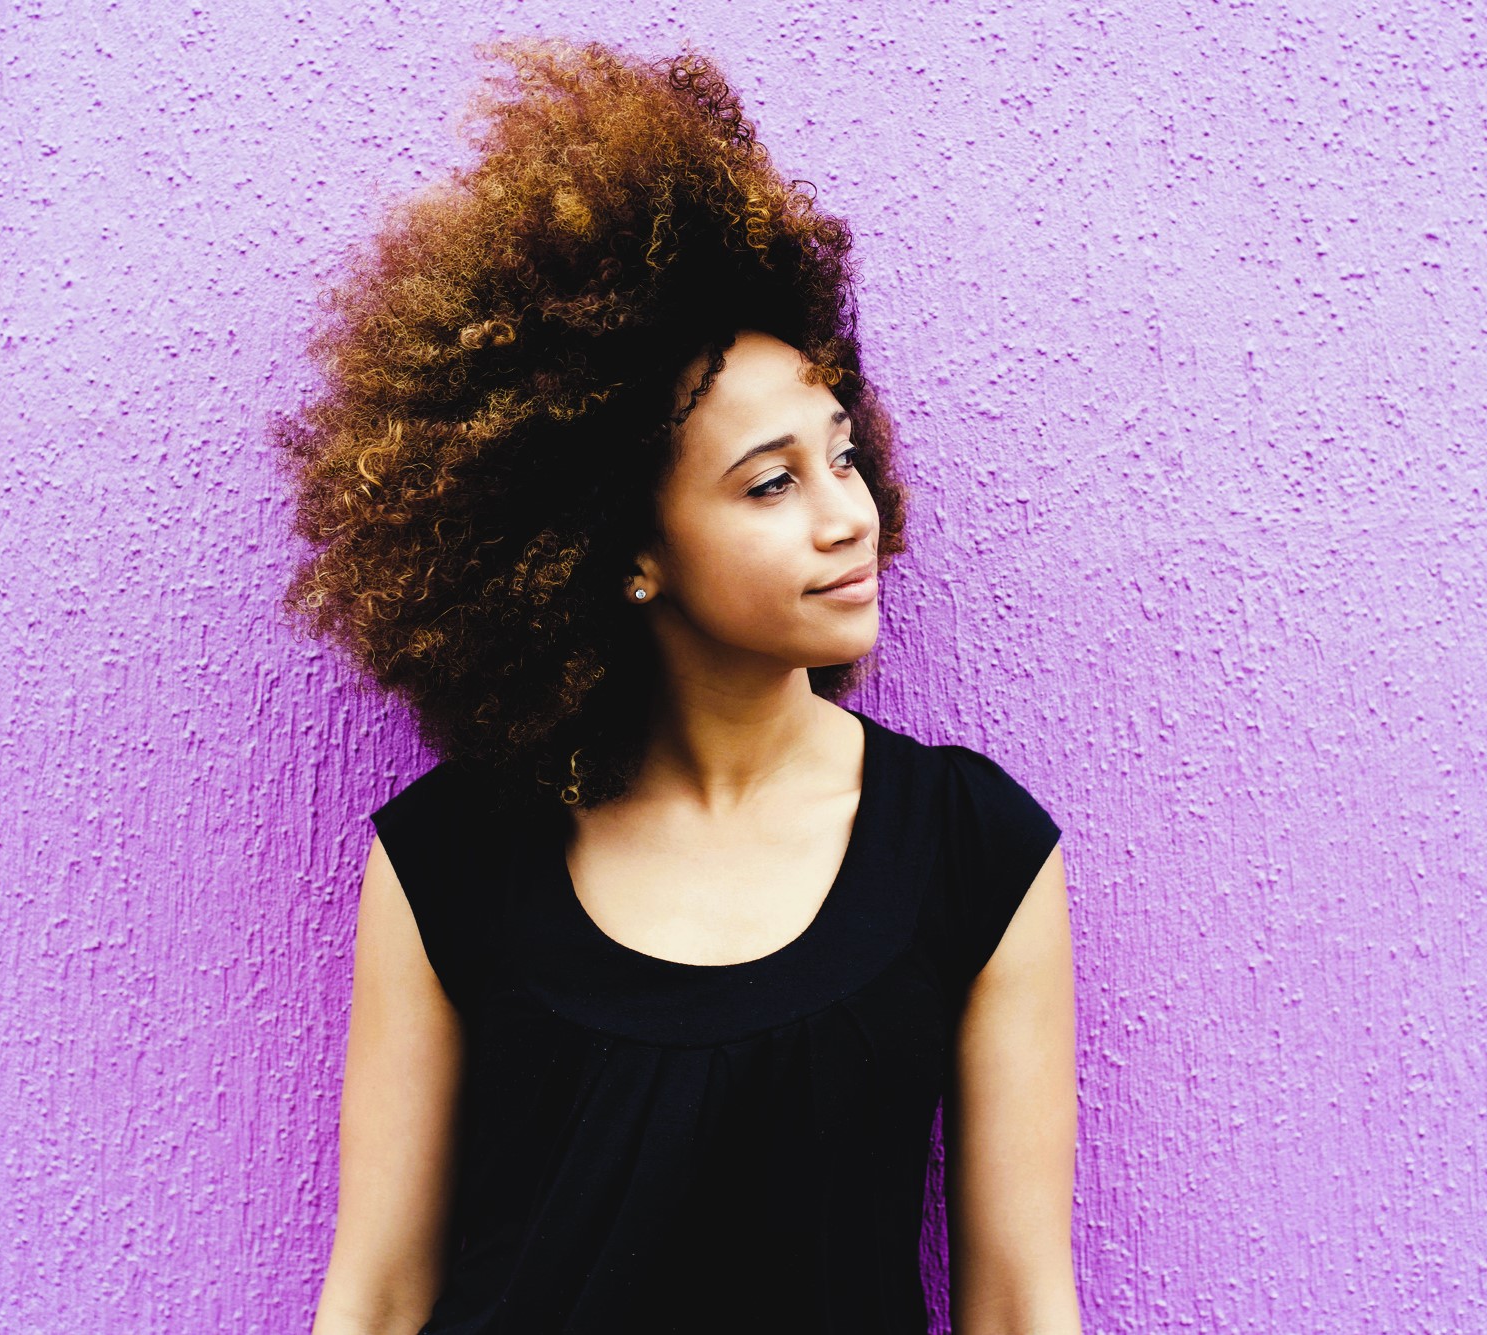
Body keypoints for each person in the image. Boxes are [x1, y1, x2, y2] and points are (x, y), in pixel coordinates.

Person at [277, 35, 1078, 1335]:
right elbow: (374, 1300)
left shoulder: (974, 853)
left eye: (843, 455)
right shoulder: (450, 858)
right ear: (630, 548)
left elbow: (1019, 1304)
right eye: (771, 483)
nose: (845, 516)